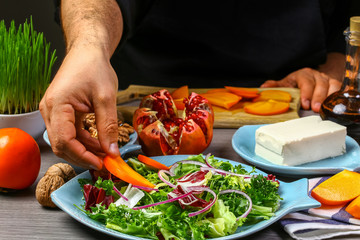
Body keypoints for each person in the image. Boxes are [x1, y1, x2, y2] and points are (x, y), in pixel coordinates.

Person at [40, 0, 351, 170]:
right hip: (140, 92)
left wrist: (338, 65)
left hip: (295, 97)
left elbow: (348, 14)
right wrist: (88, 48)